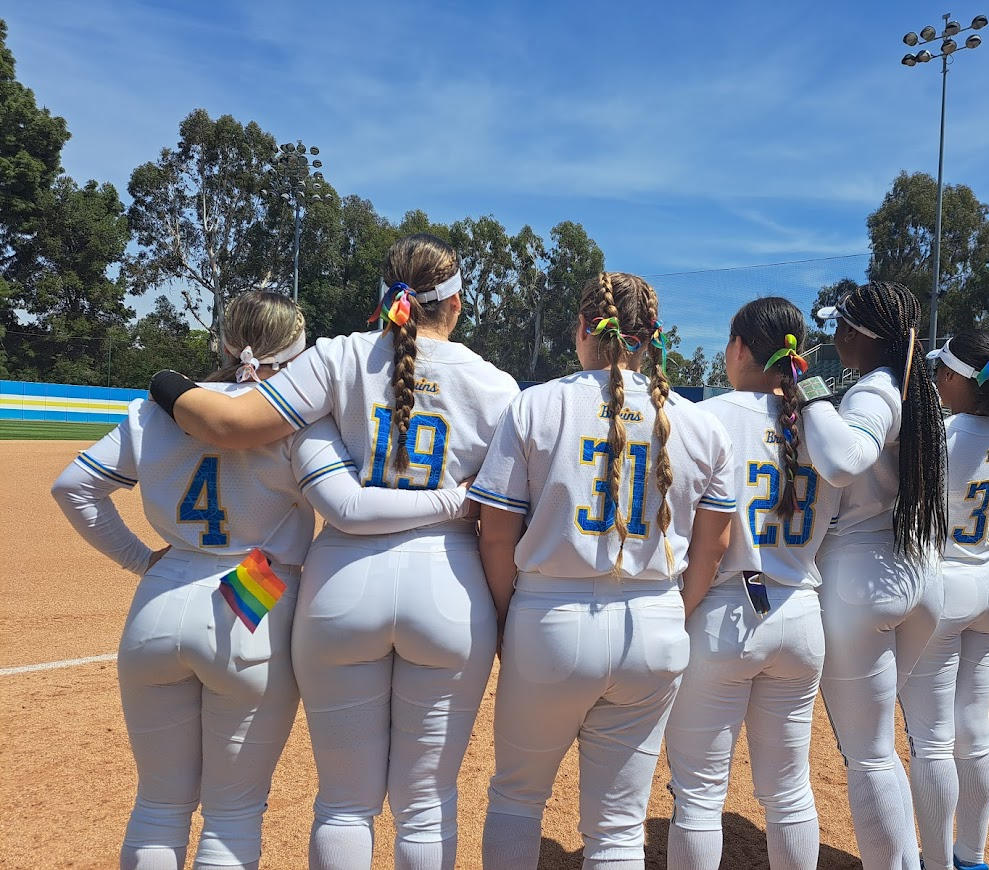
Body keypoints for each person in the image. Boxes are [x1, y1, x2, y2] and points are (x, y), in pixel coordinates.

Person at [53, 291, 477, 870]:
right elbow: (348, 507)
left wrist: (138, 559)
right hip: (253, 594)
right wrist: (456, 501)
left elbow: (73, 487)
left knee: (157, 806)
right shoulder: (298, 426)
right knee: (232, 814)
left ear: (224, 341)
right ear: (296, 350)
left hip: (162, 593)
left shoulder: (155, 410)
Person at [149, 234, 521, 870]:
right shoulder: (498, 386)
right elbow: (498, 526)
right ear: (457, 304)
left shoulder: (338, 356)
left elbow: (228, 424)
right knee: (426, 803)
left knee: (344, 804)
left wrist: (163, 382)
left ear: (385, 298)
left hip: (341, 585)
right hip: (450, 587)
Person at [467, 271, 736, 870]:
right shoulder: (702, 423)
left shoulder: (536, 403)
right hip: (656, 621)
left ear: (584, 329)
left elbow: (496, 535)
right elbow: (714, 550)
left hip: (550, 616)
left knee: (516, 797)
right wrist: (673, 611)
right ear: (654, 337)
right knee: (618, 830)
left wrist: (511, 618)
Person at [663, 298, 841, 870]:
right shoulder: (824, 427)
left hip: (723, 613)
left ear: (739, 347)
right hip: (800, 613)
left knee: (697, 795)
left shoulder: (706, 415)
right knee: (789, 791)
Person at [806, 281, 948, 870]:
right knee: (885, 743)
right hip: (917, 571)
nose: (833, 336)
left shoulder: (874, 390)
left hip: (862, 578)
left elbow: (843, 461)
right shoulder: (918, 390)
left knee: (868, 754)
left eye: (840, 327)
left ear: (857, 335)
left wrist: (811, 397)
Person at [896, 330, 989, 870]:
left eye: (942, 372)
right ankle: (971, 857)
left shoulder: (945, 435)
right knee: (974, 733)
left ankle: (936, 863)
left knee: (931, 741)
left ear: (958, 379)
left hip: (944, 585)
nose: (936, 380)